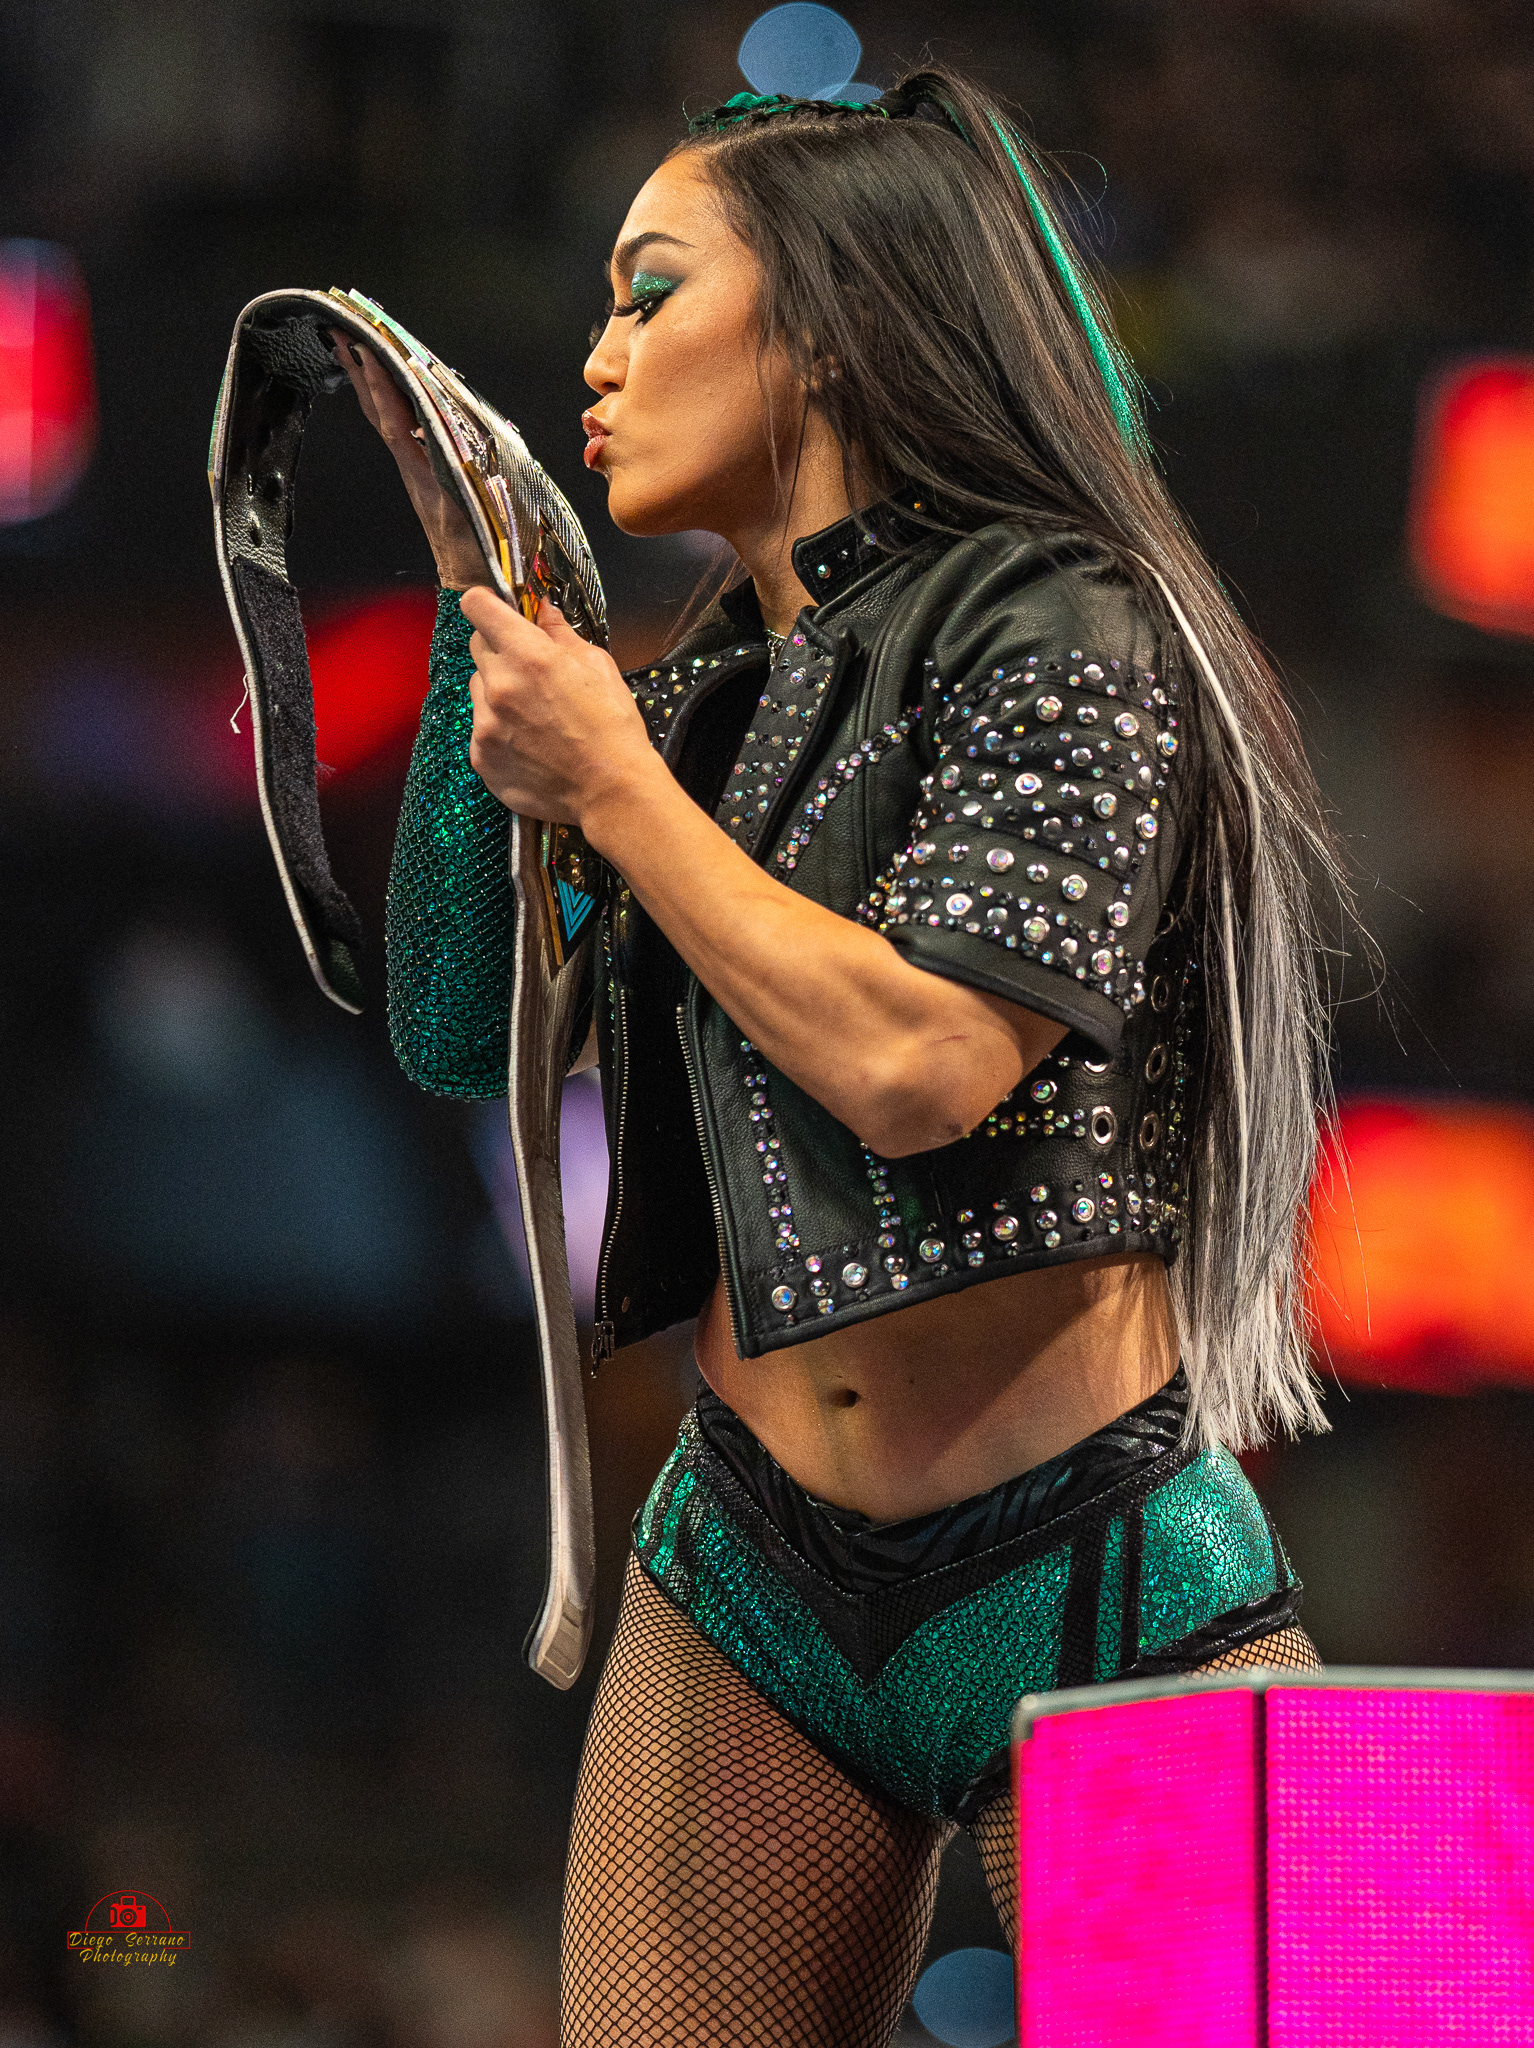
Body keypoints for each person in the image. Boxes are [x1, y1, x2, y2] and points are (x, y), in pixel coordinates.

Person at [336, 69, 1340, 2048]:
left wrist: (615, 784)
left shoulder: (1074, 619)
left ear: (829, 326)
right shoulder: (709, 688)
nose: (597, 358)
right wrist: (482, 609)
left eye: (651, 293)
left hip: (1083, 1562)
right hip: (748, 1572)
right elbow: (457, 1029)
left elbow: (925, 1063)